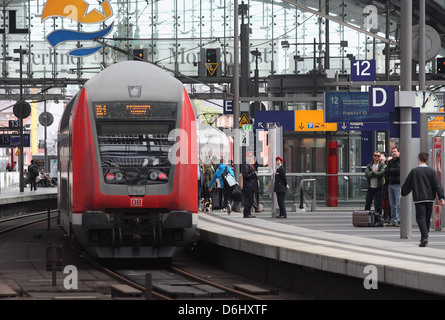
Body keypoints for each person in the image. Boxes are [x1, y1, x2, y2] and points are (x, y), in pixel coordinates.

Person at [401, 152, 445, 247]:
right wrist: (441, 197)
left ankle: (424, 237)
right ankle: (424, 237)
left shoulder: (414, 171)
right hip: (430, 198)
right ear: (427, 160)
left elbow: (408, 184)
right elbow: (437, 185)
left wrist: (403, 193)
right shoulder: (432, 171)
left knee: (420, 218)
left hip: (419, 198)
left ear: (418, 159)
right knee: (427, 219)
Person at [364, 151, 385, 216]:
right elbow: (367, 174)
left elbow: (381, 173)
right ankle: (366, 219)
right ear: (373, 156)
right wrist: (376, 174)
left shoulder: (382, 165)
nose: (377, 157)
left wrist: (372, 173)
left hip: (379, 188)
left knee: (379, 205)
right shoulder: (369, 165)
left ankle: (379, 219)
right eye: (375, 155)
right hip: (370, 188)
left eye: (378, 156)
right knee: (368, 204)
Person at [386, 147, 401, 226]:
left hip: (398, 184)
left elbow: (399, 171)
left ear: (398, 152)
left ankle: (399, 220)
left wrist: (391, 170)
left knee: (398, 204)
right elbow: (387, 171)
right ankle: (394, 220)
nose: (393, 153)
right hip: (391, 184)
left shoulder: (401, 161)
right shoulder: (391, 161)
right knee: (392, 204)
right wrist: (393, 170)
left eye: (395, 151)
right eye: (392, 152)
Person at [241, 152, 257, 218]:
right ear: (246, 157)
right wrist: (254, 173)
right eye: (249, 157)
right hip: (248, 186)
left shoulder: (250, 165)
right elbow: (246, 175)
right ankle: (246, 213)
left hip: (251, 185)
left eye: (251, 157)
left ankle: (248, 213)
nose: (250, 158)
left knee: (250, 200)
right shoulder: (245, 165)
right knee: (248, 200)